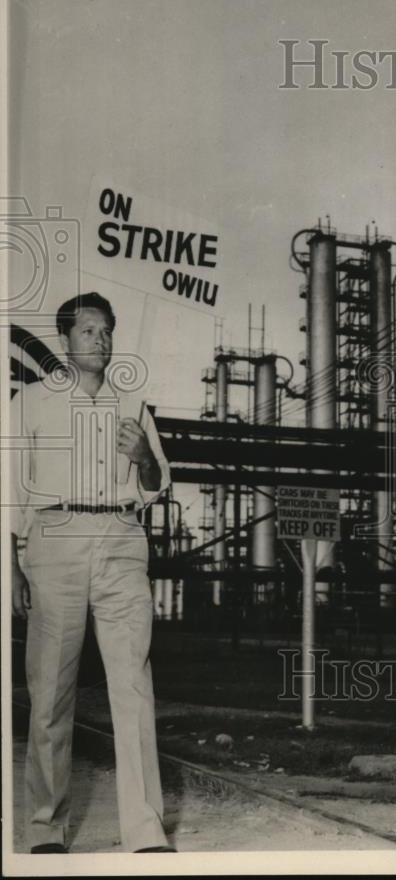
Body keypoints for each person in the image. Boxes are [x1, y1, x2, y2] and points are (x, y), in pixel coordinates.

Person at [9, 292, 175, 854]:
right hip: (54, 541)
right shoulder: (28, 402)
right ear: (64, 342)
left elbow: (155, 485)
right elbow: (8, 488)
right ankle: (45, 828)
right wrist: (10, 565)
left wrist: (143, 456)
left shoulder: (133, 404)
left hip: (122, 540)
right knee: (51, 690)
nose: (99, 339)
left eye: (106, 330)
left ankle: (146, 830)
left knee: (132, 684)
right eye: (87, 330)